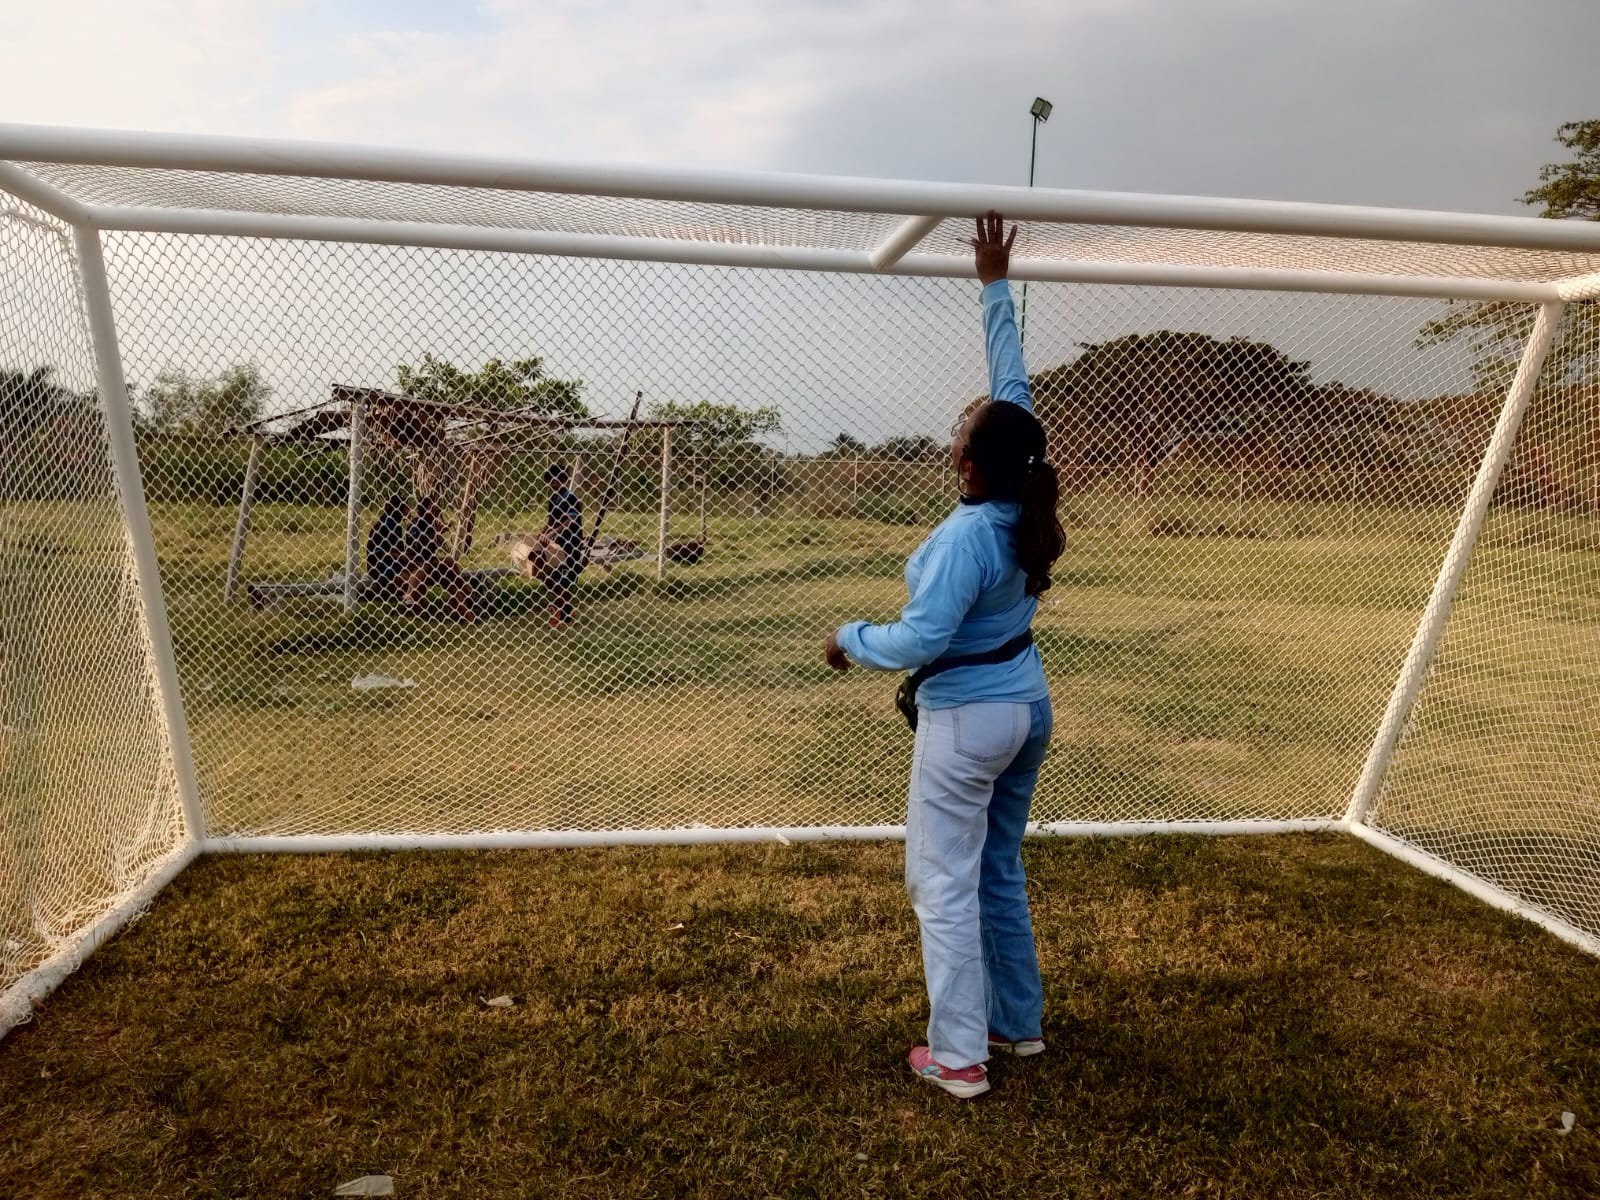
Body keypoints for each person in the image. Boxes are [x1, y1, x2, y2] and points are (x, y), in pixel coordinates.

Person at [825, 212, 1065, 1100]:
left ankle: (959, 1058)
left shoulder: (968, 536)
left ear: (968, 464)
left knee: (942, 883)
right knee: (995, 865)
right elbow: (1013, 393)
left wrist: (850, 638)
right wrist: (994, 286)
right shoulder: (1023, 483)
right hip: (1026, 706)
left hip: (969, 721)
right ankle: (1017, 1023)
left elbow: (921, 640)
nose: (957, 433)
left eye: (961, 433)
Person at [401, 495, 477, 622]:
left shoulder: (430, 524)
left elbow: (431, 541)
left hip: (431, 566)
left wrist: (440, 530)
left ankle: (471, 618)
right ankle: (469, 595)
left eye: (437, 506)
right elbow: (418, 544)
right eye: (433, 507)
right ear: (424, 509)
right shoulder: (416, 524)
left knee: (451, 582)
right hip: (418, 566)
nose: (437, 509)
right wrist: (436, 534)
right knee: (448, 562)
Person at [542, 463, 585, 628]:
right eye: (550, 482)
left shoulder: (571, 498)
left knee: (564, 580)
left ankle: (564, 616)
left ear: (564, 480)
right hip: (558, 545)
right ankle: (566, 609)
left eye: (555, 481)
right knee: (553, 577)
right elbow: (551, 520)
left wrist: (553, 532)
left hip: (571, 543)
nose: (552, 485)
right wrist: (542, 534)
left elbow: (570, 520)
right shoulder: (553, 499)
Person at [365, 494, 409, 599]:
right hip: (380, 568)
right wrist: (399, 556)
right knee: (409, 580)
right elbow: (378, 554)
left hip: (394, 565)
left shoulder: (396, 525)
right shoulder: (382, 526)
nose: (408, 510)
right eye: (405, 507)